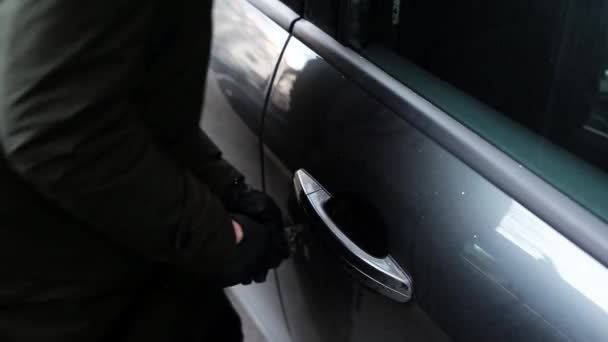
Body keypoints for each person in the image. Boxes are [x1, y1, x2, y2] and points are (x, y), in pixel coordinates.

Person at [0, 0, 289, 341]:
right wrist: (218, 237)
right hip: (75, 286)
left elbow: (125, 102)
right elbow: (57, 130)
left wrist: (224, 186)